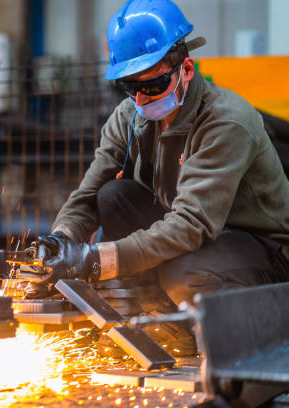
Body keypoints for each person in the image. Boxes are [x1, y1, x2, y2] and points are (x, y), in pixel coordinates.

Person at [33, 0, 289, 353]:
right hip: (201, 235)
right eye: (129, 86)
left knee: (185, 273)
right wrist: (59, 242)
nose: (140, 98)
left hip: (264, 249)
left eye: (153, 85)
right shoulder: (129, 117)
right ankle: (164, 318)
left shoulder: (225, 122)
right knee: (113, 196)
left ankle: (244, 340)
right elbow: (90, 195)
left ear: (186, 69)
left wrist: (93, 260)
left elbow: (190, 224)